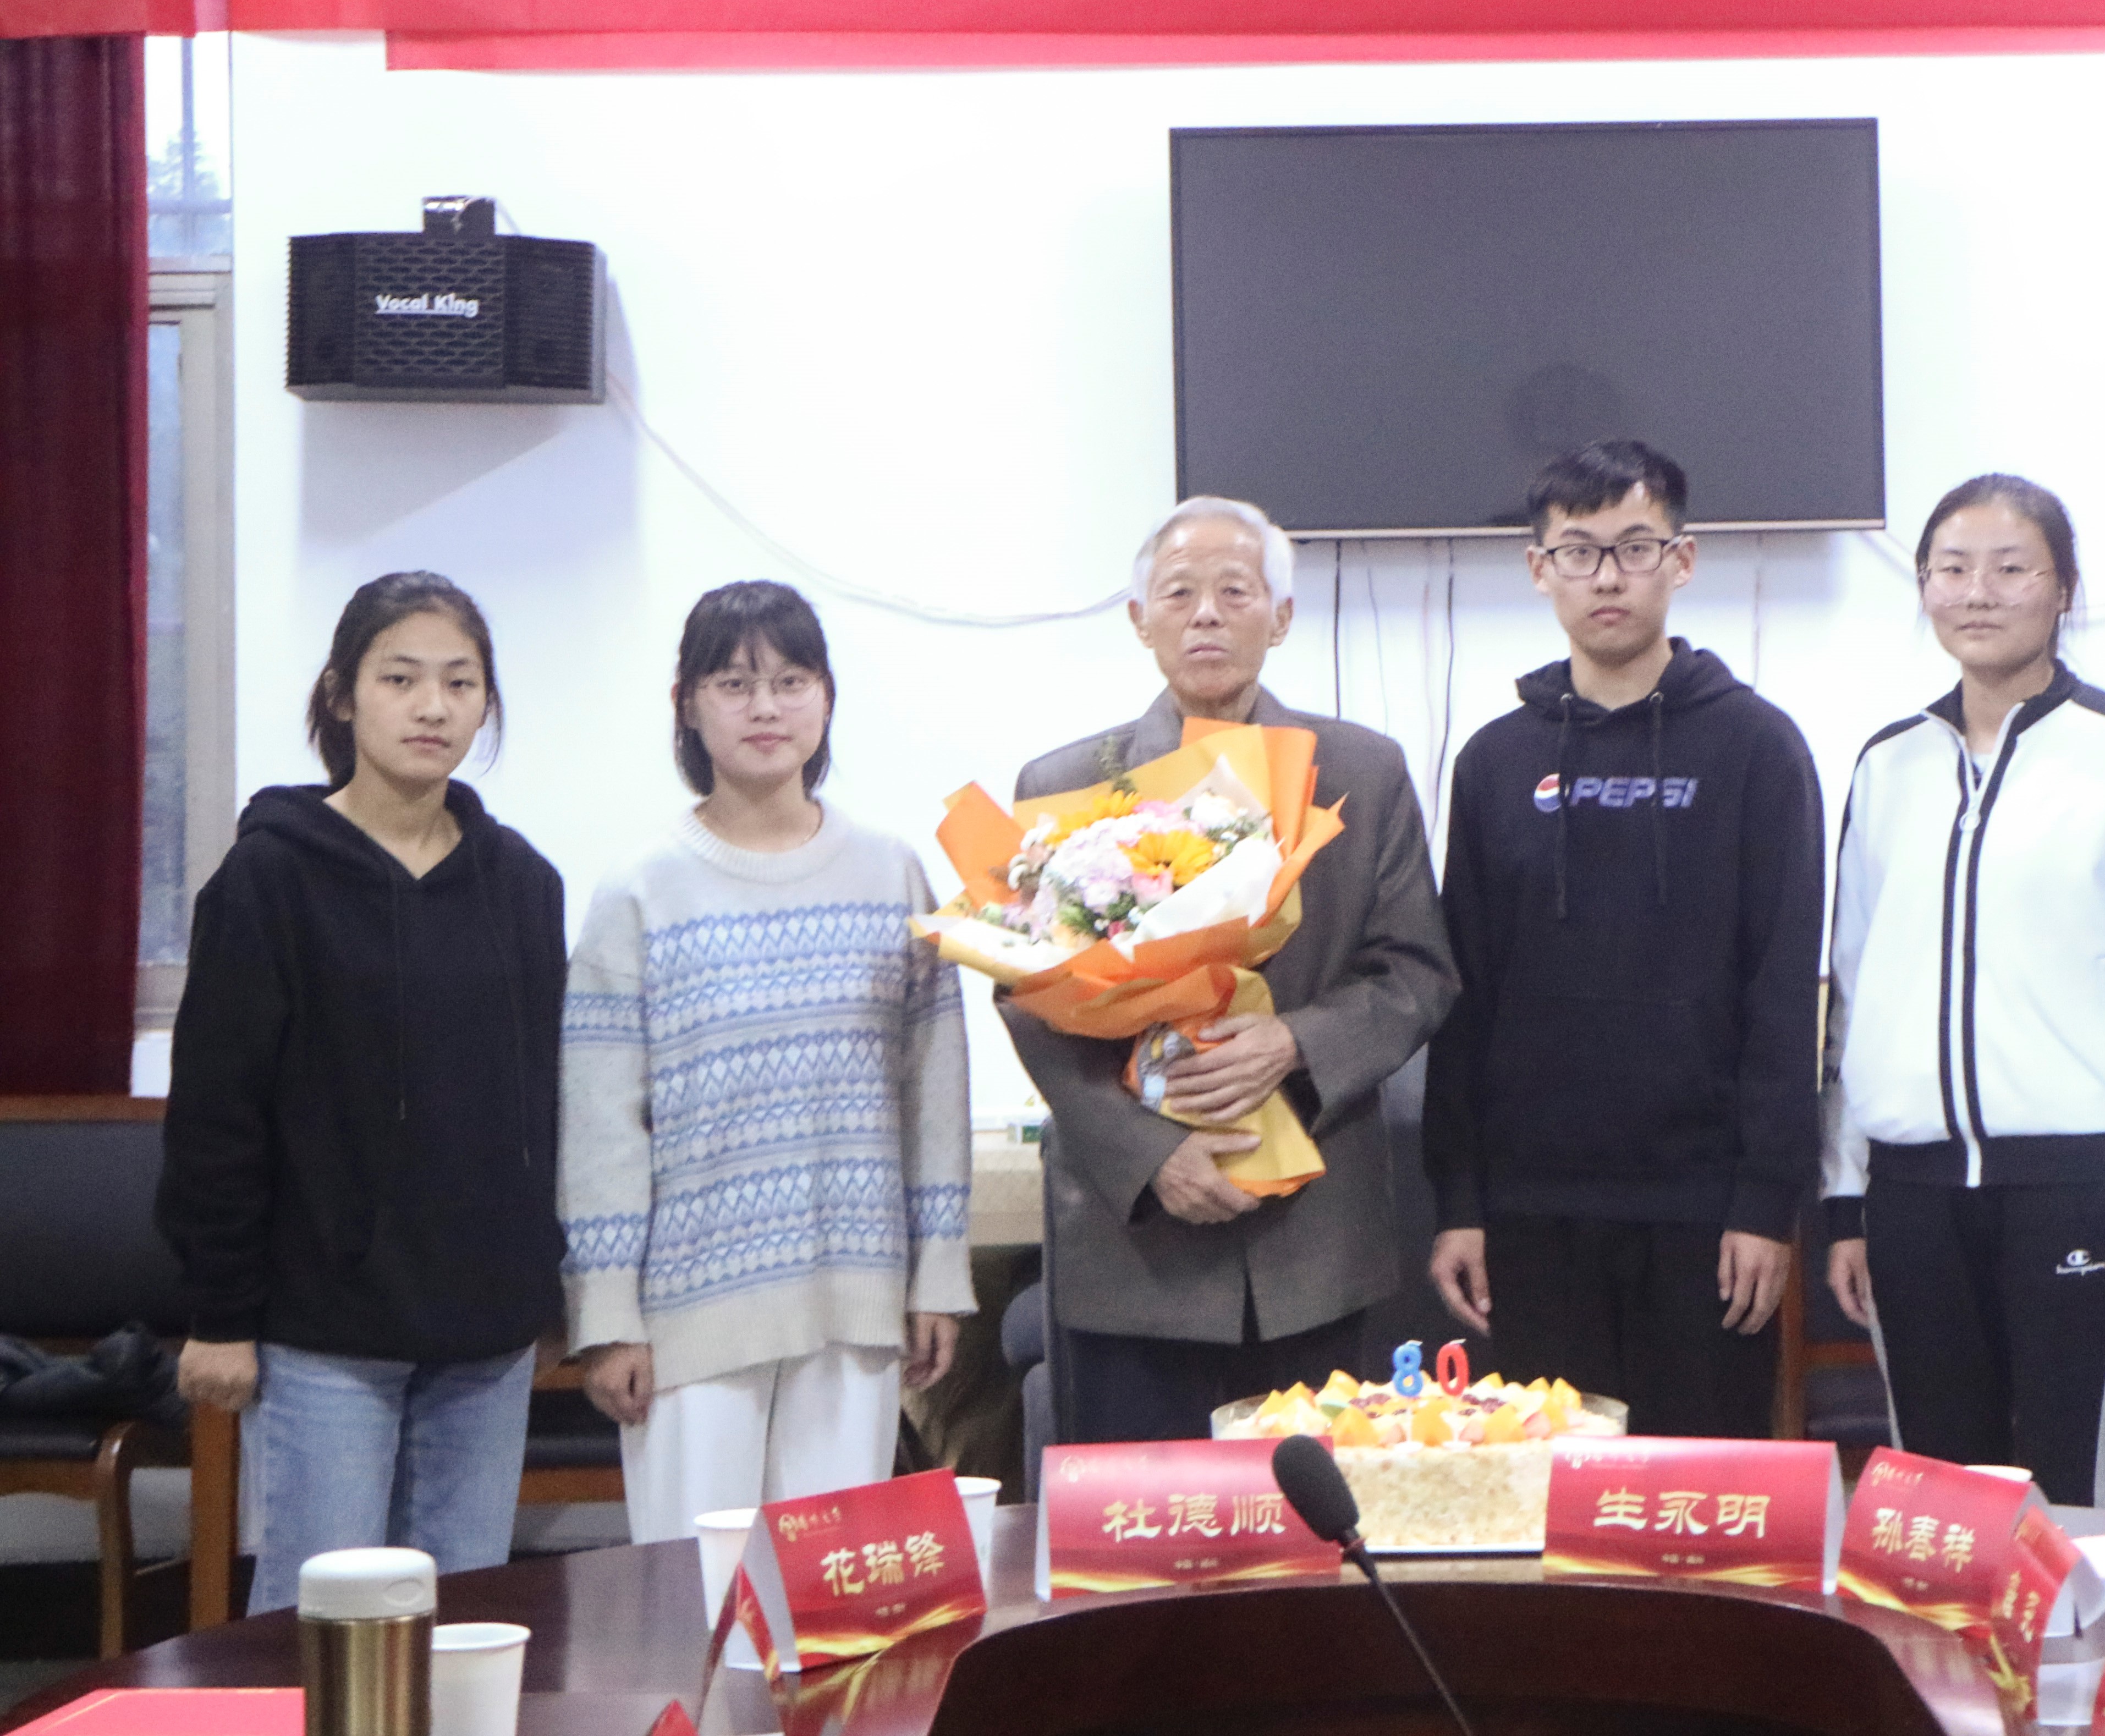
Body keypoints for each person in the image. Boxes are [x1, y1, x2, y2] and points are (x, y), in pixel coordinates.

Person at [1007, 496, 1457, 1442]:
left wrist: (1295, 1043)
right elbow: (1029, 999)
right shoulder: (1065, 786)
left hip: (1313, 1237)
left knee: (1312, 1519)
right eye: (1179, 593)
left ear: (1281, 617)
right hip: (1134, 1247)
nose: (1205, 614)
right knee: (1141, 1524)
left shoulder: (1362, 772)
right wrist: (1148, 1156)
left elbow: (1417, 970)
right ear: (1141, 620)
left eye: (1234, 591)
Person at [158, 573, 569, 1611]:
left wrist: (545, 1287)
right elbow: (217, 1111)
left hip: (485, 1332)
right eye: (401, 679)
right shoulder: (269, 878)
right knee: (322, 1627)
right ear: (342, 696)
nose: (434, 708)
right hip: (326, 1328)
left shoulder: (523, 884)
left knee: (461, 1621)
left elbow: (544, 1102)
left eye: (461, 683)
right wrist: (220, 1314)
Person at [1422, 441, 1826, 1435]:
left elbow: (1782, 990)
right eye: (1579, 551)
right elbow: (1462, 996)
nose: (1608, 577)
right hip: (1531, 1213)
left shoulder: (1757, 748)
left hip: (1704, 1214)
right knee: (1548, 1497)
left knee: (1698, 1496)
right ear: (1539, 569)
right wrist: (1459, 1200)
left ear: (1682, 561)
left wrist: (1765, 1202)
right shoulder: (1493, 761)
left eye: (1635, 548)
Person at [557, 581, 974, 1541]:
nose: (765, 708)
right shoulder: (641, 890)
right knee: (699, 1593)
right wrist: (608, 1314)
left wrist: (938, 1277)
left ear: (826, 699)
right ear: (687, 705)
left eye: (791, 681)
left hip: (857, 1300)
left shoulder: (893, 872)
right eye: (734, 683)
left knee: (835, 1591)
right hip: (690, 1313)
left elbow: (934, 1092)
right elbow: (601, 1123)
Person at [1820, 476, 2105, 1503]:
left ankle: (2090, 1622)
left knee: (2081, 1496)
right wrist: (1845, 1199)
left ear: (2063, 589)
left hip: (2077, 1184)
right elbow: (1852, 992)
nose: (1978, 592)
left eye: (2010, 568)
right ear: (1923, 587)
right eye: (1951, 569)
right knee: (1938, 1502)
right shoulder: (1888, 765)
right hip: (1910, 1195)